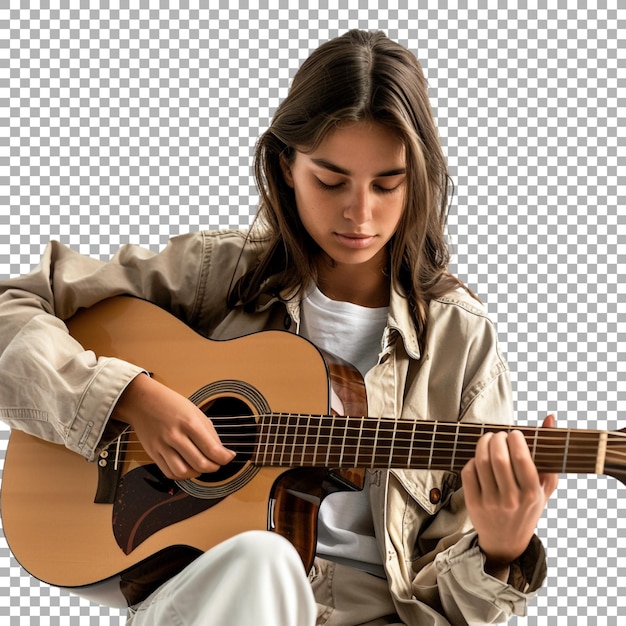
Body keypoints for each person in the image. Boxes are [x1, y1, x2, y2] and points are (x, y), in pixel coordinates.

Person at [0, 29, 558, 625]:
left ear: (418, 179)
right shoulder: (220, 272)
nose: (360, 213)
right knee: (266, 562)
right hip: (215, 599)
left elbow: (447, 612)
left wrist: (499, 550)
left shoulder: (461, 343)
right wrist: (130, 400)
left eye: (387, 184)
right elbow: (13, 313)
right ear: (287, 165)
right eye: (331, 179)